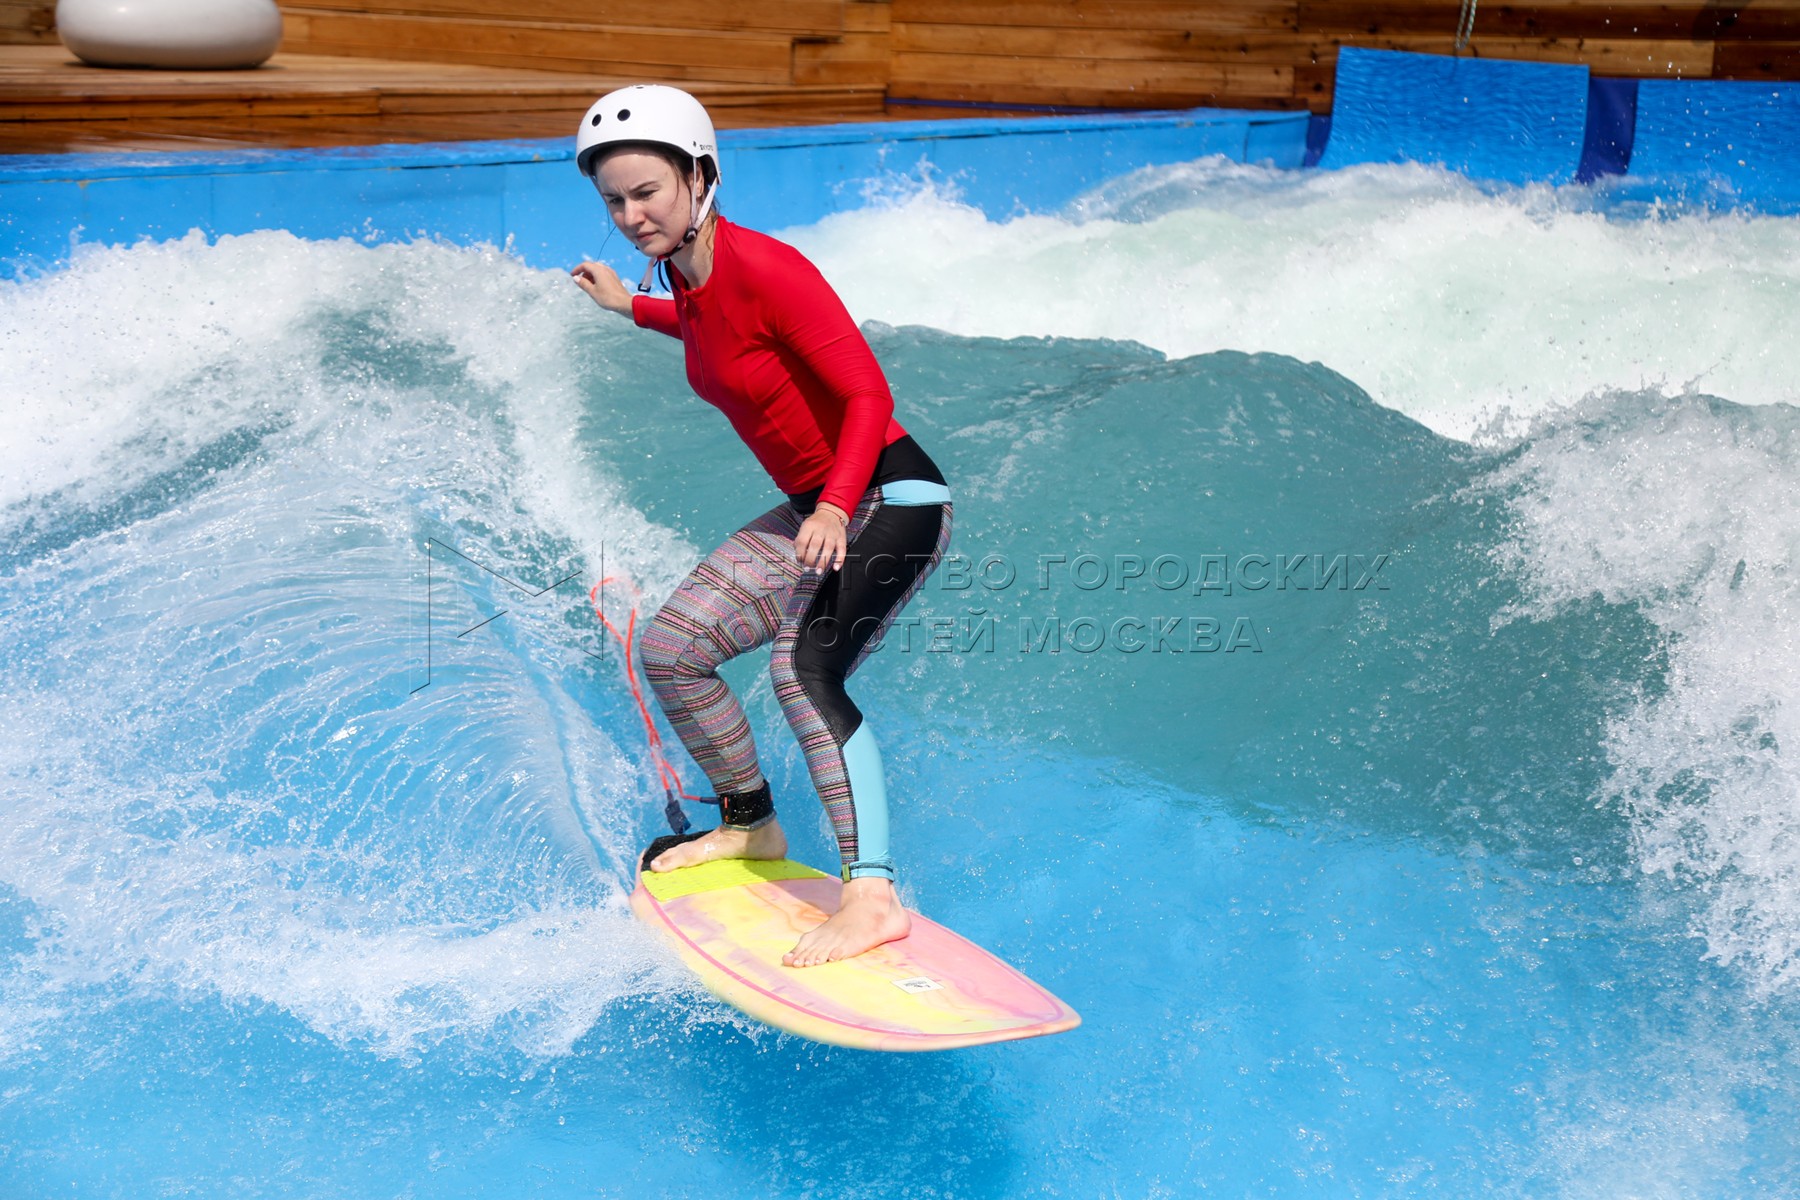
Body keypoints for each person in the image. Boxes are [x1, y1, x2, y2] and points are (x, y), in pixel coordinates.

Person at [568, 85, 953, 968]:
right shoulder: (686, 274)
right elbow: (721, 334)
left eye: (647, 193)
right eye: (614, 201)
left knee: (802, 670)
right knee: (674, 648)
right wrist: (628, 307)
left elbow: (867, 395)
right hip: (824, 498)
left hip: (891, 496)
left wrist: (834, 505)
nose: (631, 217)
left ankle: (874, 897)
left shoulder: (770, 267)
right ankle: (750, 825)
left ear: (700, 177)